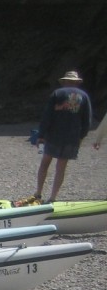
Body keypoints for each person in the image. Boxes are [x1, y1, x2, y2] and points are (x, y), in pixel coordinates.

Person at [32, 70, 93, 202]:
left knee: (45, 163)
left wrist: (41, 134)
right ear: (77, 83)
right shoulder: (84, 96)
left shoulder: (57, 93)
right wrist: (81, 137)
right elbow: (87, 120)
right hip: (72, 136)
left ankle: (38, 193)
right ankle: (53, 197)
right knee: (61, 168)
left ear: (64, 81)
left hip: (54, 134)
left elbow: (47, 116)